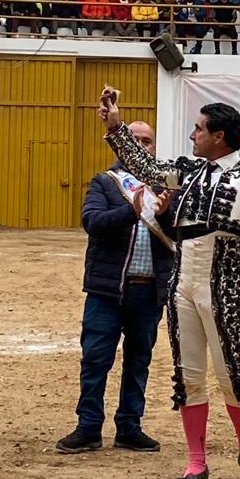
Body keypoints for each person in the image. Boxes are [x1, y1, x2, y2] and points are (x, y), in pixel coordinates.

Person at [100, 94, 240, 479]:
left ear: (219, 136)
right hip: (182, 280)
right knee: (189, 372)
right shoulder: (189, 171)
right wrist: (115, 127)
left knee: (231, 371)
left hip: (225, 281)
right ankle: (196, 461)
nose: (192, 135)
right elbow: (145, 167)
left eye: (199, 129)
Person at [56, 121, 176, 455]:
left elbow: (179, 236)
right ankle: (88, 427)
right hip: (107, 291)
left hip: (148, 291)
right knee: (95, 360)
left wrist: (165, 216)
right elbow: (92, 222)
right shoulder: (105, 182)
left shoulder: (166, 187)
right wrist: (130, 211)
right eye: (134, 139)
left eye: (146, 141)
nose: (140, 145)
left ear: (154, 147)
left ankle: (129, 427)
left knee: (138, 362)